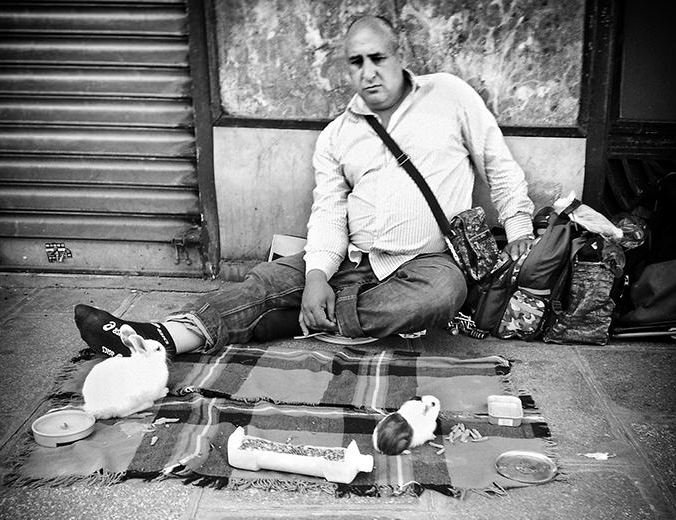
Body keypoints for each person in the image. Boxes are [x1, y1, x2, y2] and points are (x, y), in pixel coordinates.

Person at [75, 14, 535, 358]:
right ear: (346, 69)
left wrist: (518, 228)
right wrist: (317, 277)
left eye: (378, 58)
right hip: (354, 258)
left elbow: (498, 163)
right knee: (265, 279)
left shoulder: (450, 95)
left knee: (438, 298)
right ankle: (155, 340)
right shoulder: (338, 134)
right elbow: (331, 211)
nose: (369, 72)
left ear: (401, 57)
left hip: (428, 263)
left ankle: (296, 322)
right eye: (356, 62)